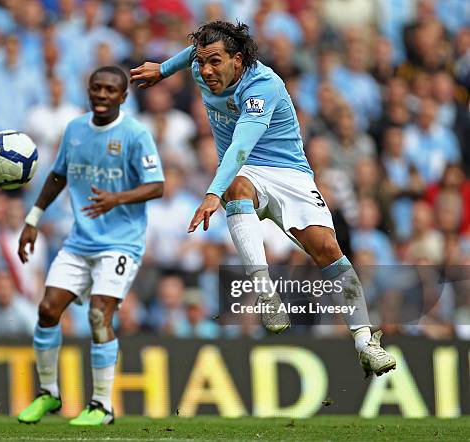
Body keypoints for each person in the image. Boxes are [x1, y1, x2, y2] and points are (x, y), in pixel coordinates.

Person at [130, 20, 396, 377]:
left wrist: (211, 193)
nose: (206, 71)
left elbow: (241, 146)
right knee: (238, 185)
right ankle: (265, 292)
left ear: (237, 61)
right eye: (202, 61)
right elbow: (192, 56)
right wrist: (163, 70)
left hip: (288, 173)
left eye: (215, 62)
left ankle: (365, 343)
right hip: (245, 173)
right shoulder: (201, 67)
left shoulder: (263, 86)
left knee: (328, 250)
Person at [16, 66, 164, 425]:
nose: (102, 94)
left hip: (120, 244)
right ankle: (49, 394)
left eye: (110, 90)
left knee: (99, 315)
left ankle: (102, 405)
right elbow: (58, 175)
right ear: (88, 91)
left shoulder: (135, 134)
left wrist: (117, 198)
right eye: (96, 88)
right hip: (79, 241)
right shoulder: (75, 129)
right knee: (48, 310)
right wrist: (33, 219)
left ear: (123, 96)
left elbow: (157, 185)